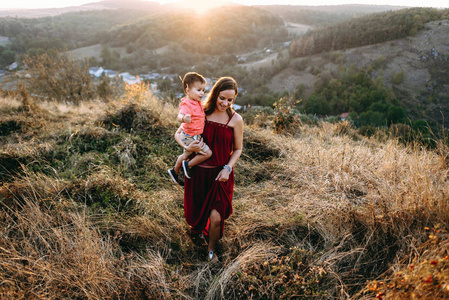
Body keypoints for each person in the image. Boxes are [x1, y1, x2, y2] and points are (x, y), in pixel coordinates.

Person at [175, 76, 243, 263]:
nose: (225, 103)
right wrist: (188, 148)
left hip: (220, 175)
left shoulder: (236, 120)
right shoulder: (201, 112)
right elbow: (179, 133)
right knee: (196, 212)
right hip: (198, 173)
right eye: (222, 98)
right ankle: (198, 234)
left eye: (230, 100)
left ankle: (211, 250)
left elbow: (238, 149)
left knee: (216, 218)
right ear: (215, 95)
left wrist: (228, 168)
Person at [168, 72, 212, 185]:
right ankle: (188, 165)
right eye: (198, 90)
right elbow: (179, 116)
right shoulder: (187, 104)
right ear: (187, 90)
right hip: (190, 137)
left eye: (203, 90)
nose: (202, 93)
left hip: (191, 135)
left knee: (185, 155)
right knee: (207, 154)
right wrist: (184, 118)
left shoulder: (197, 103)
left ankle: (174, 171)